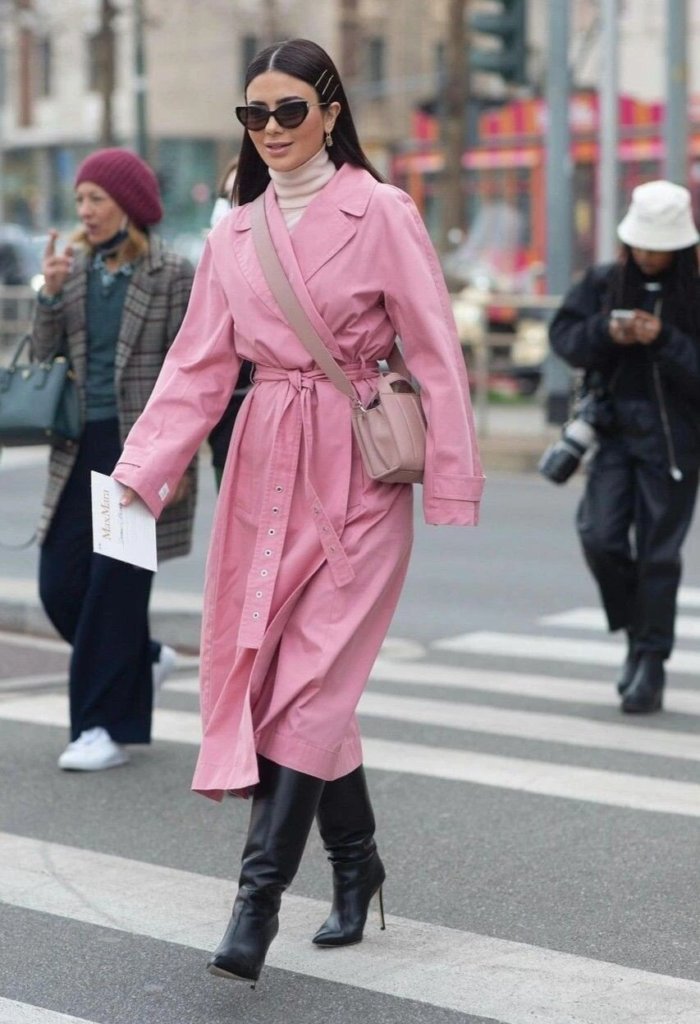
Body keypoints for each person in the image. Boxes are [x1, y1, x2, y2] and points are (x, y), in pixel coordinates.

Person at [114, 38, 484, 985]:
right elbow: (199, 365)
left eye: (288, 111)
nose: (270, 130)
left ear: (327, 109)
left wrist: (451, 478)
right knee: (290, 688)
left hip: (357, 464)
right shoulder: (234, 232)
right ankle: (357, 867)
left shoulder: (382, 210)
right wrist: (141, 472)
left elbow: (435, 350)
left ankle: (256, 901)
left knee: (309, 688)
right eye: (254, 115)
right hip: (263, 465)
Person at [31, 147, 196, 772]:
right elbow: (46, 359)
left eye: (96, 198)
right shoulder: (71, 270)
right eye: (80, 200)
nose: (85, 211)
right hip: (77, 448)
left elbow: (193, 370)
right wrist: (47, 297)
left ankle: (100, 727)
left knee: (113, 591)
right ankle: (144, 660)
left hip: (143, 451)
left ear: (129, 203)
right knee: (59, 584)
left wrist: (177, 460)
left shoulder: (171, 273)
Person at [550, 180, 700, 715]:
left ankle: (651, 662)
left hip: (677, 444)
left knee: (659, 555)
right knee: (600, 536)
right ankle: (639, 631)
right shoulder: (604, 282)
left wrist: (662, 339)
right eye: (640, 244)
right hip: (612, 433)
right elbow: (564, 340)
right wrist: (605, 332)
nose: (647, 255)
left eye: (658, 246)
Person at [207, 156, 254, 490]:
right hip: (226, 420)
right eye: (225, 197)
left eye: (239, 195)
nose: (229, 206)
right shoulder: (214, 263)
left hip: (274, 409)